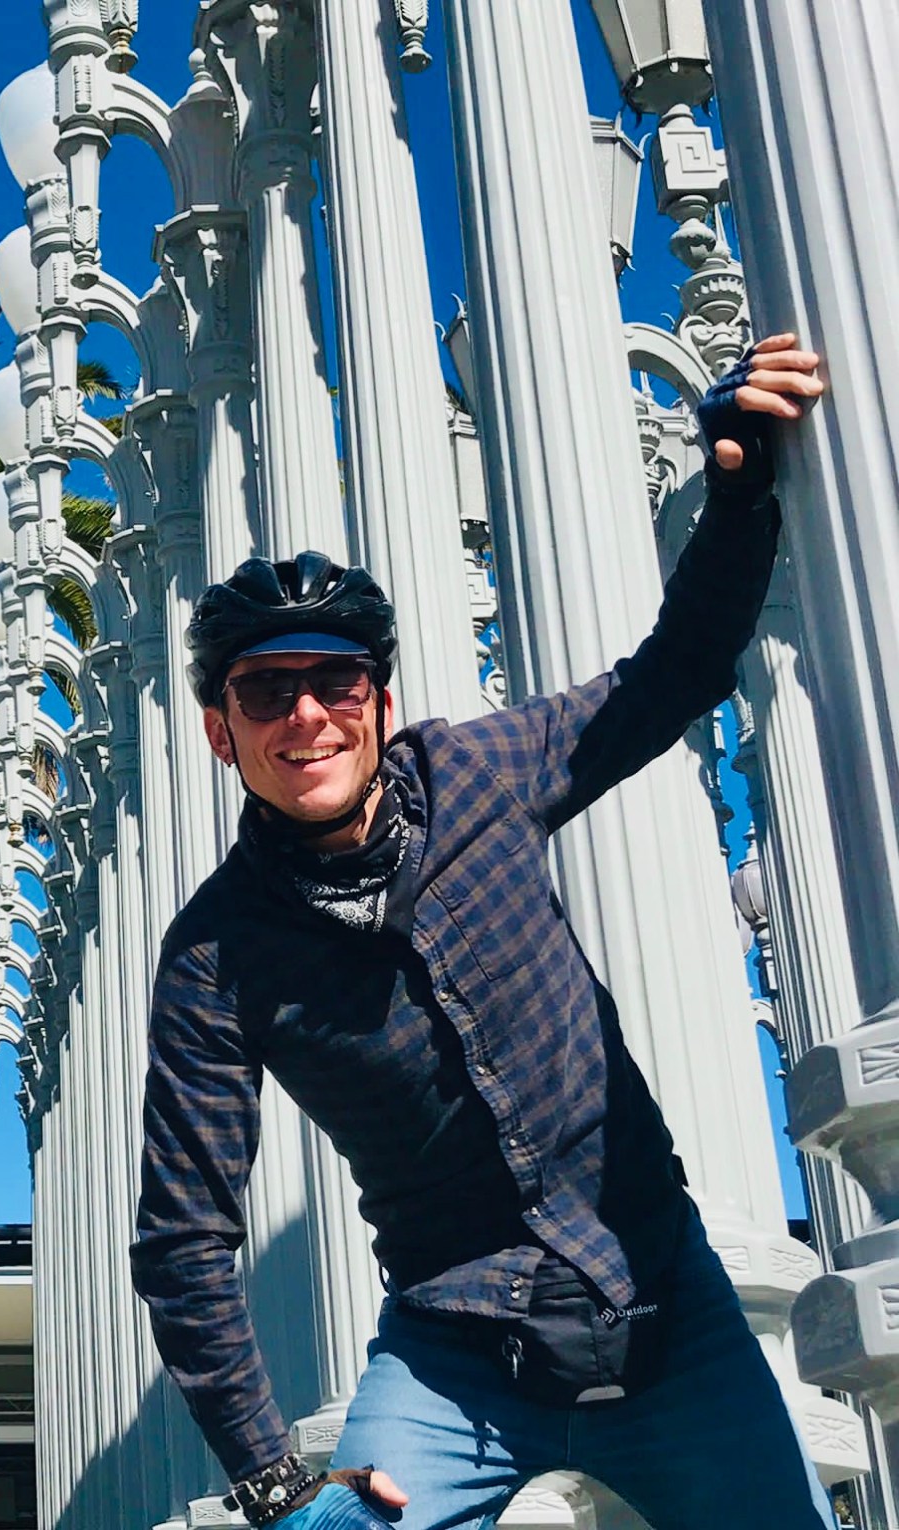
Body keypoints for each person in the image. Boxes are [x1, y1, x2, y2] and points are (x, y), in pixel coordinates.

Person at [129, 335, 835, 1529]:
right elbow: (184, 1238)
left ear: (380, 701)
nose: (306, 715)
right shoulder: (215, 959)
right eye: (264, 691)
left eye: (336, 682)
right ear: (220, 730)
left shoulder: (480, 775)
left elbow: (668, 678)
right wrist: (273, 1480)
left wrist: (735, 488)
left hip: (671, 1315)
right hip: (453, 1362)